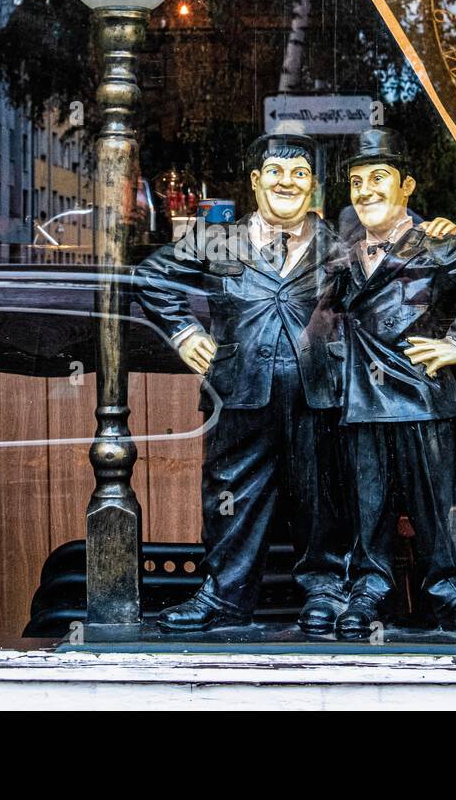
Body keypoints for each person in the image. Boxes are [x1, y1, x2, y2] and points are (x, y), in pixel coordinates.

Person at [135, 132, 351, 634]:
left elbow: (393, 281)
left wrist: (429, 229)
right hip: (240, 390)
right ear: (256, 181)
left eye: (300, 174)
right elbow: (150, 276)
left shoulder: (337, 247)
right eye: (276, 171)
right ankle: (224, 596)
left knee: (321, 494)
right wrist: (183, 330)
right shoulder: (218, 237)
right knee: (231, 490)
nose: (288, 182)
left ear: (313, 185)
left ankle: (325, 591)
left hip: (318, 391)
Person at [330, 128, 456, 640]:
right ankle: (368, 589)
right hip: (363, 403)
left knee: (435, 510)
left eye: (379, 178)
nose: (366, 191)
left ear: (407, 186)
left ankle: (450, 594)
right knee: (369, 509)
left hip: (420, 398)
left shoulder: (434, 242)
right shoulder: (343, 253)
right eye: (356, 181)